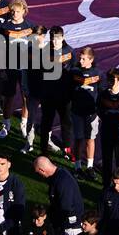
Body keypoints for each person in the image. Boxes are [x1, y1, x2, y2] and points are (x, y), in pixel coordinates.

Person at [0, 0, 33, 139]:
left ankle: (24, 124)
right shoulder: (5, 26)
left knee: (26, 97)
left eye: (18, 11)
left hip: (25, 68)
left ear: (24, 11)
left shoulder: (30, 26)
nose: (15, 14)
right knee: (8, 96)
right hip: (10, 67)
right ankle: (6, 125)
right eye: (13, 11)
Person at [35, 26, 75, 156]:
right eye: (52, 38)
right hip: (49, 95)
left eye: (57, 38)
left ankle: (67, 148)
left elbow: (74, 72)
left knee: (67, 122)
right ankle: (44, 150)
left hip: (65, 95)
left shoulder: (70, 51)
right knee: (46, 122)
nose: (54, 41)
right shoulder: (45, 51)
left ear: (62, 37)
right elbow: (39, 73)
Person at [68, 46, 101, 180]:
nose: (80, 61)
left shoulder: (98, 73)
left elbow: (102, 92)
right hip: (77, 111)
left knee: (90, 139)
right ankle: (77, 167)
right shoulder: (74, 71)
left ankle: (89, 167)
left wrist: (99, 111)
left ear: (91, 59)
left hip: (91, 113)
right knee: (78, 139)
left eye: (83, 58)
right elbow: (68, 89)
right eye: (80, 58)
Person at [96, 67, 119, 186]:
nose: (109, 83)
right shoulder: (103, 94)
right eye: (108, 80)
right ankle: (106, 186)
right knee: (106, 160)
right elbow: (98, 109)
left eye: (112, 80)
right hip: (106, 131)